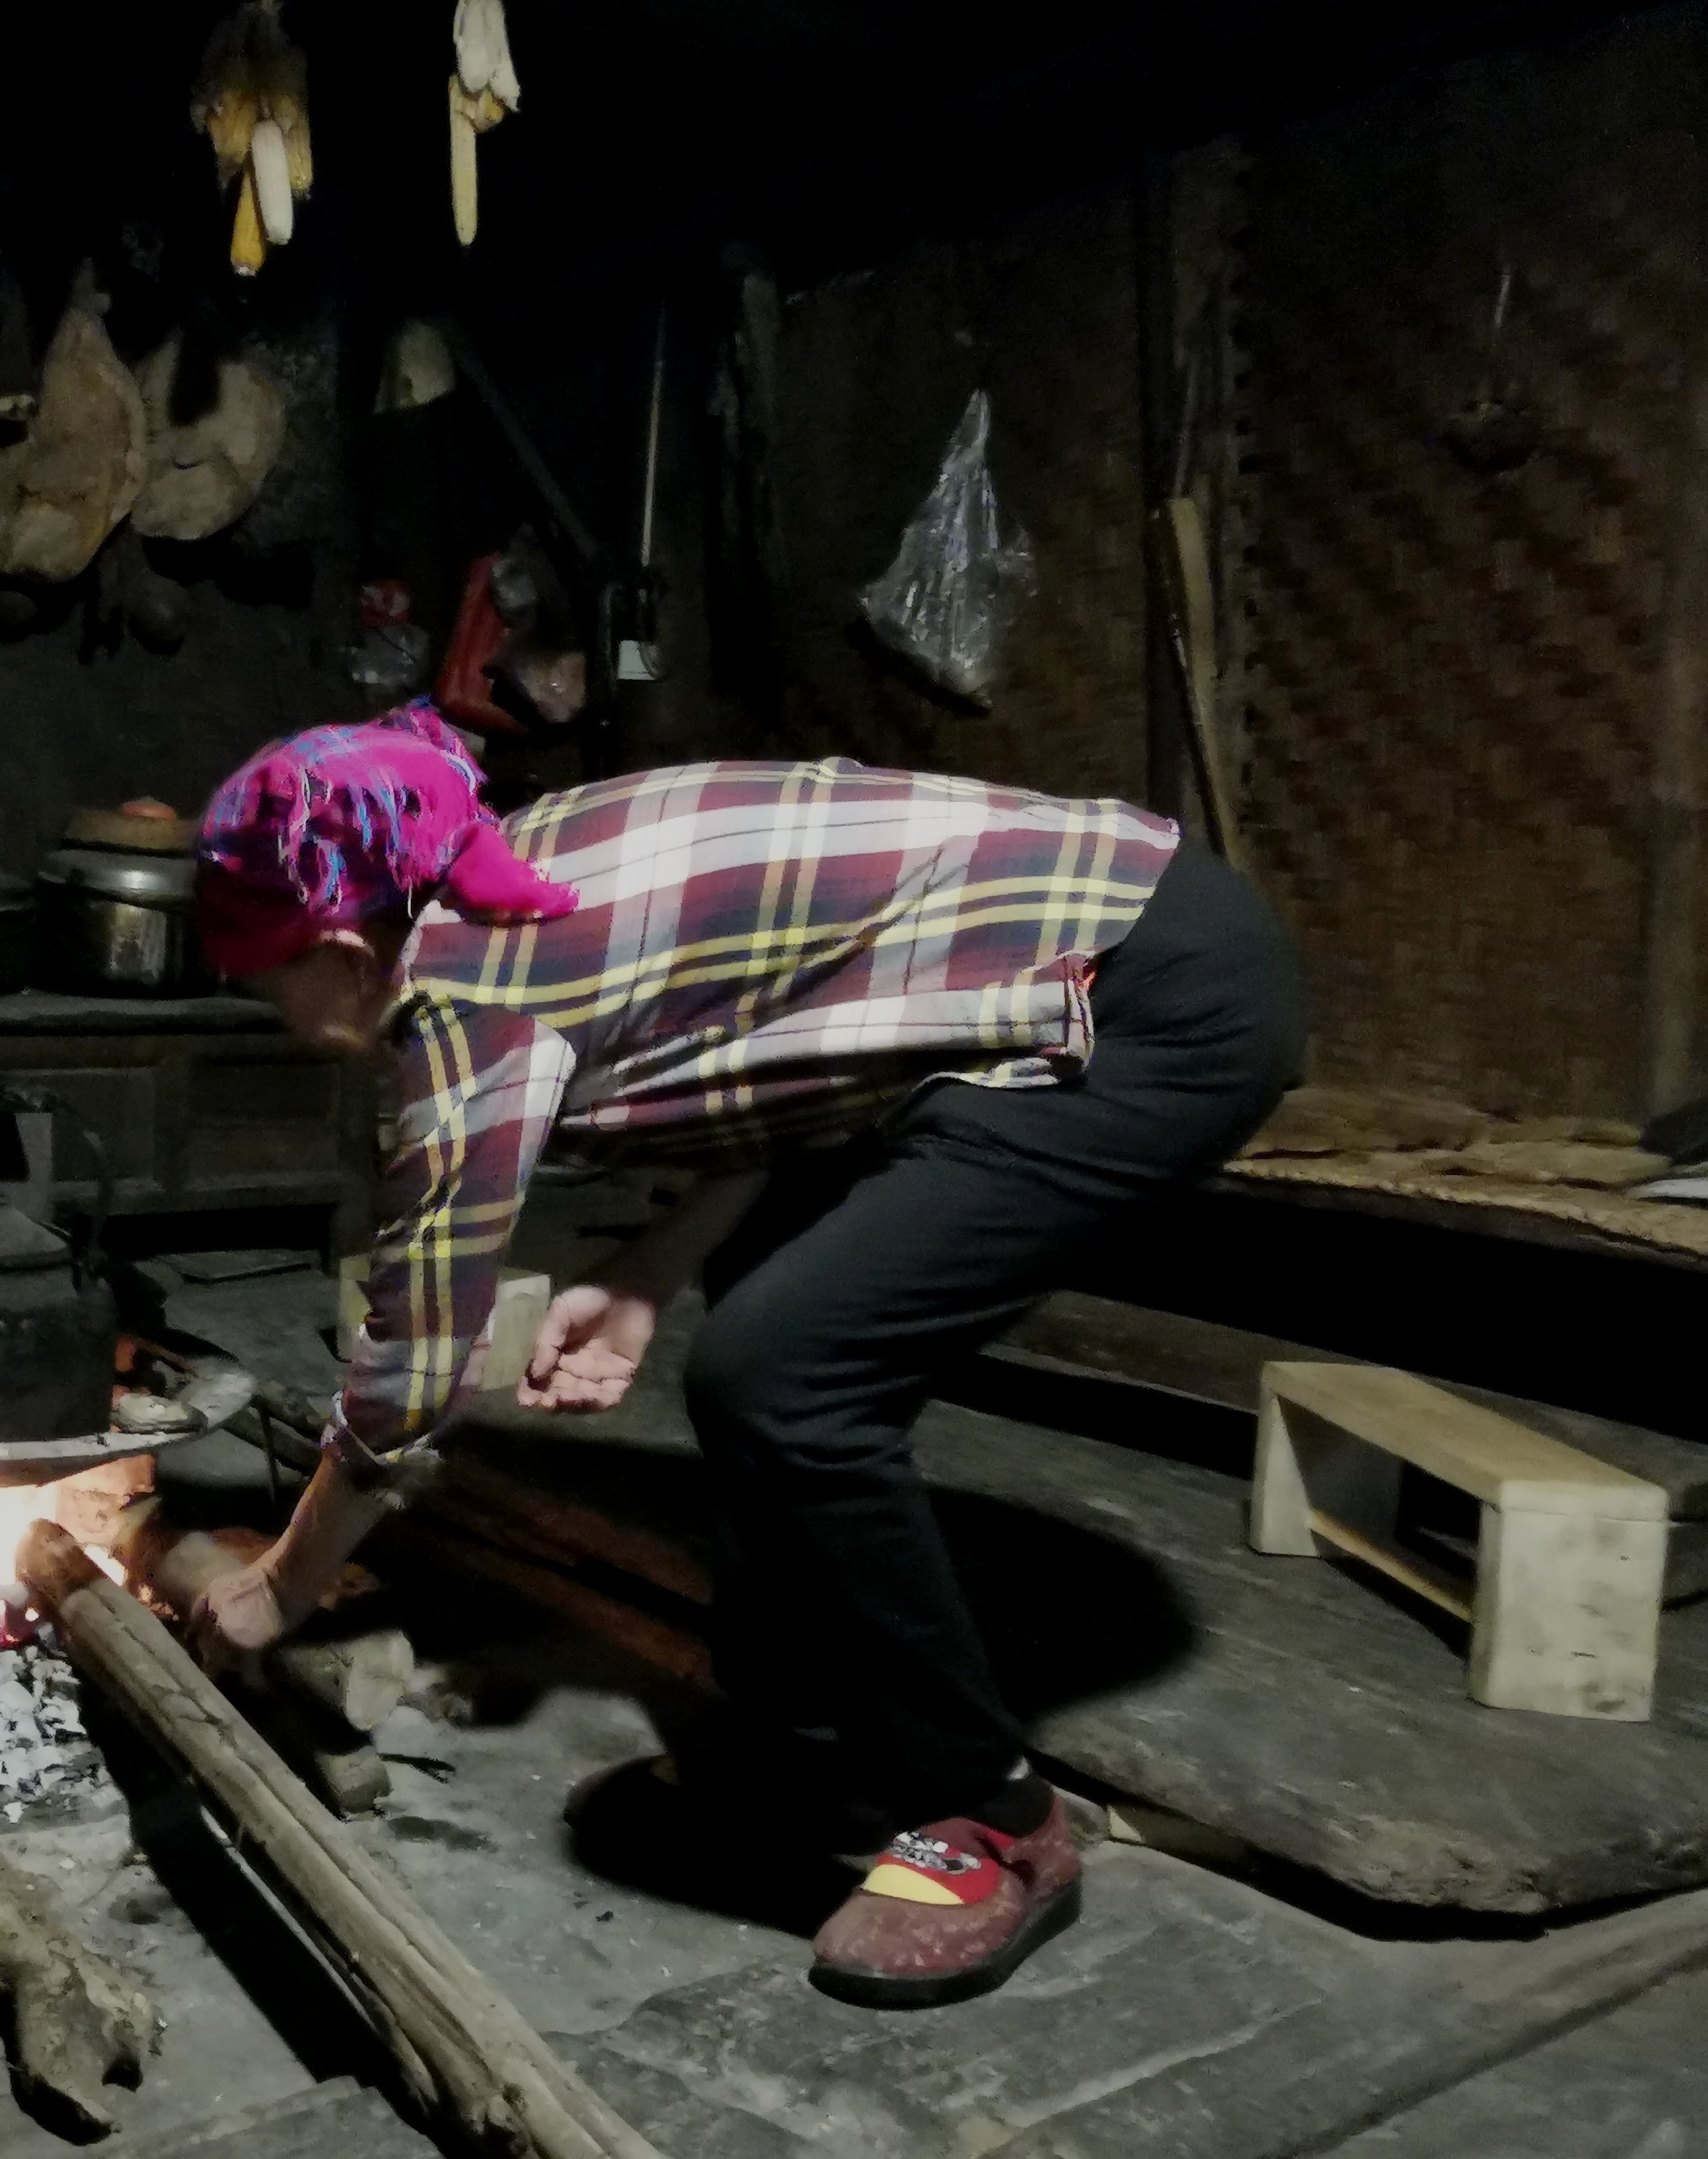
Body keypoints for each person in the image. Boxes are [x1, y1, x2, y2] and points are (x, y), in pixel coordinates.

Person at [183, 702, 1305, 2007]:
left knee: (786, 1379)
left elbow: (412, 1366)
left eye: (264, 982)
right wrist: (647, 1274)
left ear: (339, 948)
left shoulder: (466, 999)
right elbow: (793, 1049)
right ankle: (807, 1741)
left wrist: (281, 1586)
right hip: (1085, 948)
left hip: (1148, 1002)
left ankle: (992, 1817)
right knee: (764, 1317)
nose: (276, 1017)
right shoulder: (488, 864)